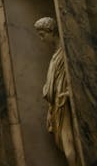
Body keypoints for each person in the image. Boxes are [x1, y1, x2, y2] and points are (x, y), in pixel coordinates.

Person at [35, 17, 79, 165]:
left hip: (62, 103)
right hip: (56, 105)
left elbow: (77, 76)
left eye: (42, 35)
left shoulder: (64, 53)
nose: (42, 40)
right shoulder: (56, 55)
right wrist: (49, 109)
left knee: (68, 142)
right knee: (64, 142)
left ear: (51, 32)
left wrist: (69, 93)